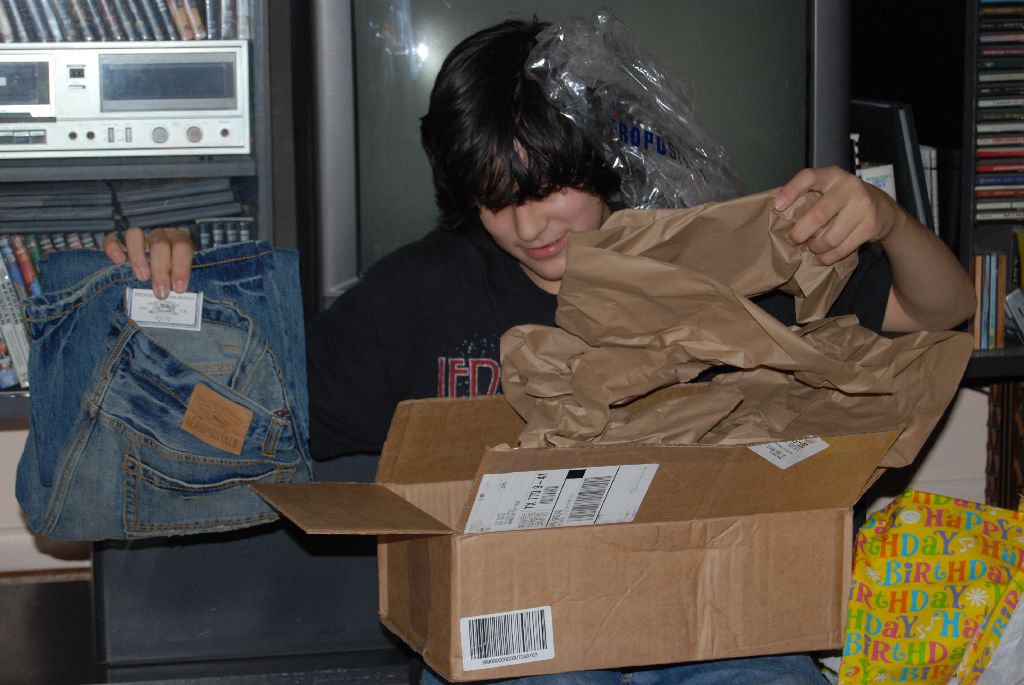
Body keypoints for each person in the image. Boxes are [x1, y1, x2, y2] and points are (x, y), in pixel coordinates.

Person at [104, 18, 976, 685]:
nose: (528, 227)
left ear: (604, 156)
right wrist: (166, 304)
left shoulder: (709, 260)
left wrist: (890, 220)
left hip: (716, 620)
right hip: (520, 627)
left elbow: (943, 309)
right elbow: (248, 422)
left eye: (549, 186)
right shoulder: (413, 298)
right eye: (496, 200)